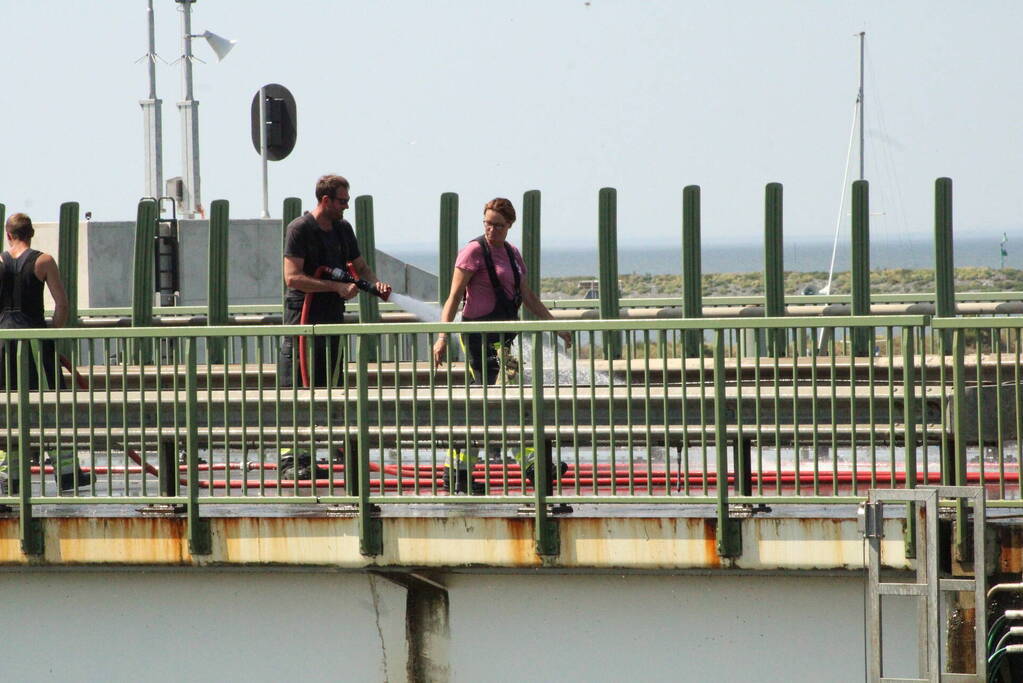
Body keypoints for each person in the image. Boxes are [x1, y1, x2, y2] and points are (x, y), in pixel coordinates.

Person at [431, 197, 571, 493]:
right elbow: (454, 296)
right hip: (478, 339)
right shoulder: (473, 251)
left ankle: (526, 464)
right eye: (487, 223)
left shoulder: (512, 254)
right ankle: (460, 472)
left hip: (505, 340)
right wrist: (442, 336)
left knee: (512, 399)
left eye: (498, 225)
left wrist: (554, 325)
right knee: (488, 405)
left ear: (509, 226)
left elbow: (527, 296)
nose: (491, 229)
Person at [279, 174, 391, 388]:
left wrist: (376, 284)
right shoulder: (299, 229)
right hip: (303, 322)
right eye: (342, 201)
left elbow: (361, 267)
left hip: (332, 319)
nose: (346, 206)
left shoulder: (343, 229)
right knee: (299, 385)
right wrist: (335, 286)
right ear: (326, 200)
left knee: (331, 384)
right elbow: (292, 278)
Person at [0, 213, 68, 390]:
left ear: (8, 235)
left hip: (3, 338)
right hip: (35, 339)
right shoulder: (44, 261)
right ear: (31, 233)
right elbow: (62, 304)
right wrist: (52, 330)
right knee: (48, 397)